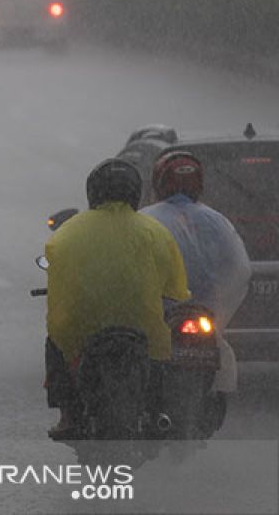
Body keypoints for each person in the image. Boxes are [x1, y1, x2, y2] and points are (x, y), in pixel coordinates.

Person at [43, 158, 190, 437]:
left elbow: (58, 281)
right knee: (162, 361)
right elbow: (176, 289)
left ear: (93, 192)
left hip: (86, 327)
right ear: (135, 193)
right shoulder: (155, 231)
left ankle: (68, 416)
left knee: (55, 344)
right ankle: (161, 412)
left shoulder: (67, 233)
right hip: (143, 328)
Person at [140, 151, 251, 394]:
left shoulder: (144, 220)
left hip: (159, 317)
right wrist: (215, 306)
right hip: (205, 315)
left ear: (158, 183)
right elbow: (239, 270)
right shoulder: (218, 221)